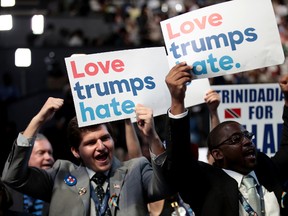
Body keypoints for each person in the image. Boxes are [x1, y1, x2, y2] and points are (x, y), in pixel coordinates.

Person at [1, 97, 175, 216]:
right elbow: (12, 177)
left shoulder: (135, 170)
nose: (101, 147)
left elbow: (168, 185)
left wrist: (152, 136)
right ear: (76, 151)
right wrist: (37, 121)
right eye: (91, 143)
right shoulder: (60, 175)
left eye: (105, 138)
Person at [164, 62, 288, 216]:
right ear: (217, 154)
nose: (247, 141)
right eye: (236, 139)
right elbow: (180, 162)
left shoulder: (265, 168)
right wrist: (177, 101)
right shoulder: (206, 183)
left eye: (247, 136)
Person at [5, 133, 54, 215]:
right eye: (41, 153)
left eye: (50, 153)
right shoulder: (7, 189)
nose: (48, 157)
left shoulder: (60, 189)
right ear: (26, 157)